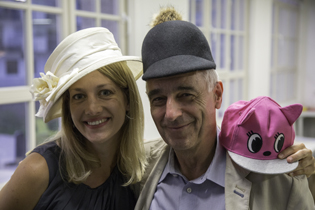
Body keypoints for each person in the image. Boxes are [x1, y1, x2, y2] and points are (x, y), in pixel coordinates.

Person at [135, 7, 315, 210]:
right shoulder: (139, 167)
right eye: (158, 99)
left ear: (217, 95)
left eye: (186, 95)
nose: (171, 113)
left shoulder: (278, 181)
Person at [0, 27, 146, 210]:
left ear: (128, 100)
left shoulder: (138, 169)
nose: (92, 109)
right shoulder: (37, 171)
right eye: (79, 96)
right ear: (68, 107)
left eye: (105, 92)